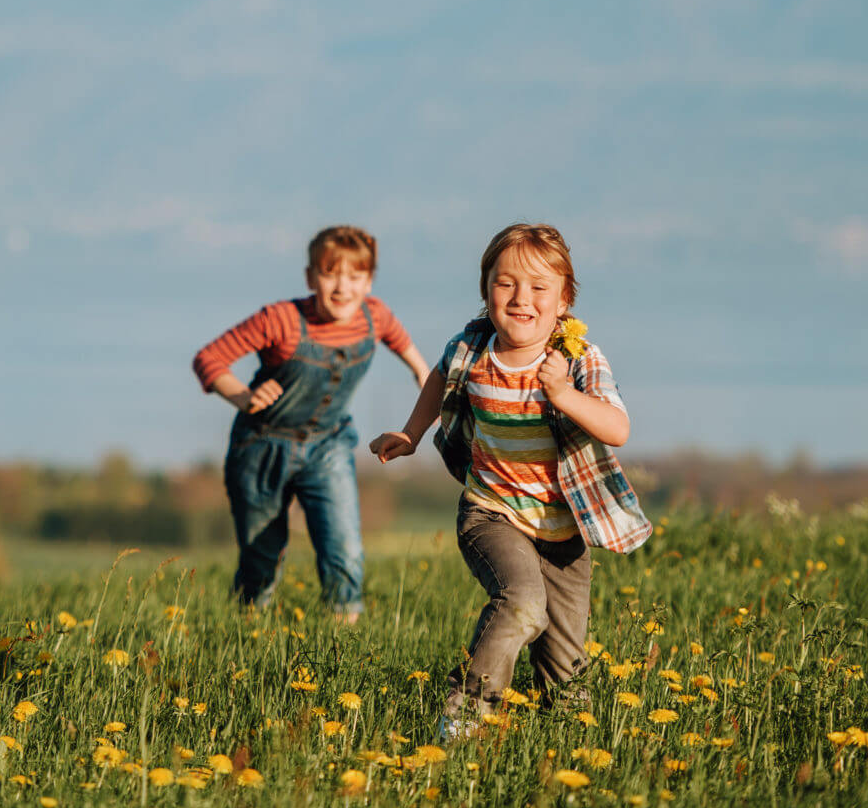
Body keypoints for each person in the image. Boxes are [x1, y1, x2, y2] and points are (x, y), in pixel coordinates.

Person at [369, 222, 650, 736]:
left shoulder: (578, 359)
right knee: (521, 604)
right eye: (506, 283)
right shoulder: (472, 349)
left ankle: (563, 746)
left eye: (540, 287)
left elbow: (619, 428)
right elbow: (439, 376)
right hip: (490, 513)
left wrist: (565, 395)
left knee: (566, 681)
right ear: (486, 290)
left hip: (564, 533)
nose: (522, 298)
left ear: (564, 301)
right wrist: (411, 433)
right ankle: (466, 715)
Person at [194, 225, 431, 621]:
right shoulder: (281, 320)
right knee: (262, 554)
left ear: (369, 281)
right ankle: (247, 629)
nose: (343, 287)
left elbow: (420, 366)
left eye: (355, 277)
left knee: (345, 549)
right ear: (310, 278)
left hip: (329, 445)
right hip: (261, 447)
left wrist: (426, 379)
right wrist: (244, 397)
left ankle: (344, 633)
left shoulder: (377, 317)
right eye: (330, 274)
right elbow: (209, 359)